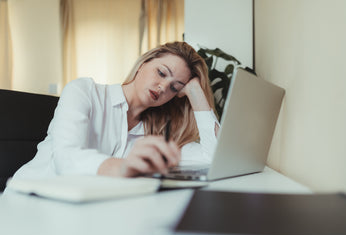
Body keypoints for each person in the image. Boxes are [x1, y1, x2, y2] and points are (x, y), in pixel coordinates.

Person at [12, 41, 219, 180]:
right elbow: (65, 160)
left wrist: (195, 92)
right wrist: (124, 167)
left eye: (175, 87)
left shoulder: (154, 132)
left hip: (82, 214)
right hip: (30, 201)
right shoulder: (85, 92)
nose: (163, 87)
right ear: (143, 64)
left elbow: (213, 158)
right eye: (161, 72)